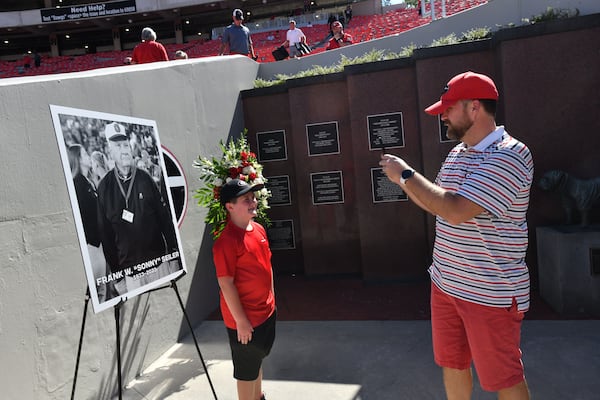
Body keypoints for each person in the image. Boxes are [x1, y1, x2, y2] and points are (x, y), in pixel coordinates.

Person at [379, 71, 533, 400]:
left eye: (449, 108)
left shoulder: (511, 155)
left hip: (491, 292)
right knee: (453, 363)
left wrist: (406, 173)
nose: (443, 115)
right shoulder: (458, 152)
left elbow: (455, 209)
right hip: (446, 283)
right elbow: (434, 204)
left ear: (475, 108)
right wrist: (404, 182)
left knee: (504, 376)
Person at [97, 122, 181, 297]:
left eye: (126, 145)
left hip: (159, 264)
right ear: (110, 150)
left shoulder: (145, 178)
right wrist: (117, 276)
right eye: (118, 146)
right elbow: (106, 237)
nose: (124, 150)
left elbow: (164, 219)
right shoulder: (104, 188)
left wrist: (174, 254)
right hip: (131, 274)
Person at [212, 179, 276, 400]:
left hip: (265, 313)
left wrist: (272, 299)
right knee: (246, 373)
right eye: (246, 199)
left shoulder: (257, 228)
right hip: (245, 321)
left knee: (256, 361)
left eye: (254, 198)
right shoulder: (226, 242)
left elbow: (266, 266)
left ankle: (258, 396)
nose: (253, 202)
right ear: (230, 207)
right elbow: (225, 283)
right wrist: (241, 321)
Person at [68, 144, 108, 302]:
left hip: (98, 245)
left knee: (102, 290)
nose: (87, 156)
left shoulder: (87, 182)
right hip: (91, 246)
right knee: (97, 293)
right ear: (78, 158)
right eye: (84, 154)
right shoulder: (77, 184)